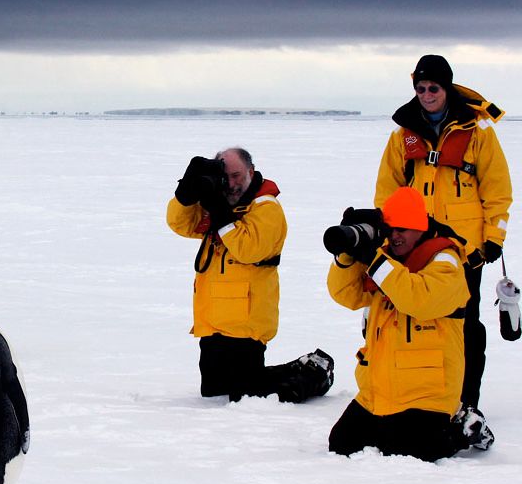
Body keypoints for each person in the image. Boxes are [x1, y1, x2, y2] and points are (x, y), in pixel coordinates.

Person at [374, 54, 511, 431]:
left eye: (433, 87)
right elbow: (387, 191)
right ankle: (424, 395)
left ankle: (467, 401)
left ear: (446, 87)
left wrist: (494, 238)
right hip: (416, 246)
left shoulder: (478, 132)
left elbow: (497, 191)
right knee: (416, 321)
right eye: (420, 88)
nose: (427, 94)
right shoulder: (402, 136)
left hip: (466, 251)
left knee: (464, 325)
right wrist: (389, 235)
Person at [326, 186, 492, 460]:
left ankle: (465, 428)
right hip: (379, 391)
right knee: (342, 444)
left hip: (427, 394)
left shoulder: (446, 262)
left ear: (421, 228)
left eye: (402, 229)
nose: (395, 236)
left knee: (409, 451)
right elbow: (346, 294)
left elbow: (419, 300)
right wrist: (348, 254)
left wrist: (376, 261)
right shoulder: (387, 258)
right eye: (390, 229)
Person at [167, 147, 334, 402]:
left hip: (247, 321)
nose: (231, 184)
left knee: (244, 394)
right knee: (215, 391)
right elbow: (181, 224)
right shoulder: (220, 201)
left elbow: (249, 249)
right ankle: (303, 368)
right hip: (213, 320)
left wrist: (220, 213)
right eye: (225, 177)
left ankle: (313, 374)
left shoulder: (266, 207)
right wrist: (185, 194)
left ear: (251, 171)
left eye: (236, 176)